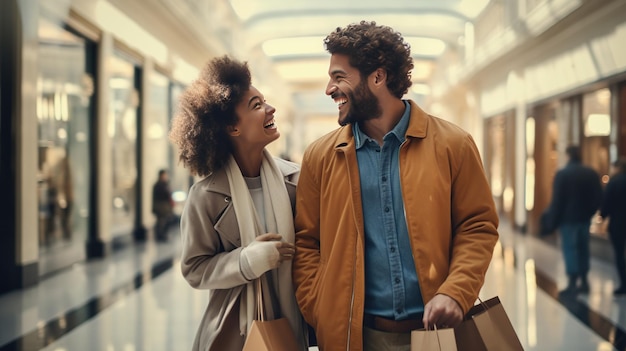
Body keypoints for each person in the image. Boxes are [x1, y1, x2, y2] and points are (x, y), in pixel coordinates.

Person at [292, 21, 499, 351]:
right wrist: (321, 309)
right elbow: (306, 242)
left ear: (378, 77)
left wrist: (455, 291)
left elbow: (477, 226)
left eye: (339, 77)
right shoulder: (321, 157)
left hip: (437, 334)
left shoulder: (453, 145)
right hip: (355, 338)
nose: (329, 89)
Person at [169, 56, 308, 351]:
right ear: (233, 128)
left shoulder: (296, 182)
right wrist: (245, 262)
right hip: (236, 331)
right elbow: (195, 268)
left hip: (295, 324)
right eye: (256, 106)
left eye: (265, 101)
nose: (270, 109)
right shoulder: (205, 196)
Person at [546, 145, 602, 295]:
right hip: (584, 218)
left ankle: (572, 282)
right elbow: (598, 197)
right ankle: (584, 280)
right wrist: (590, 212)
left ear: (568, 155)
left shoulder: (563, 174)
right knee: (583, 248)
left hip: (568, 219)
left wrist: (553, 220)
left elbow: (558, 200)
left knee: (570, 249)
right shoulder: (591, 174)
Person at [600, 158, 626, 295]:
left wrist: (602, 216)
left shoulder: (614, 182)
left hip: (618, 224)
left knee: (620, 254)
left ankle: (624, 284)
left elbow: (606, 202)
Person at [152, 169, 173, 242]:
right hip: (160, 206)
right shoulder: (158, 185)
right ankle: (160, 236)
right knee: (160, 222)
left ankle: (163, 235)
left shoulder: (166, 184)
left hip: (166, 207)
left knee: (166, 221)